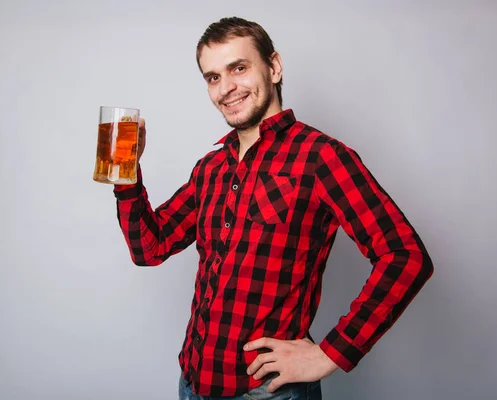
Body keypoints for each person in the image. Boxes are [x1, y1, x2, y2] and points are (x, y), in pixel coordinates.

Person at [112, 16, 434, 400]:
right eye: (213, 77)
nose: (226, 87)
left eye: (239, 68)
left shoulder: (321, 157)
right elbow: (149, 248)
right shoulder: (211, 169)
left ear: (274, 67)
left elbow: (405, 256)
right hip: (193, 384)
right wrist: (126, 175)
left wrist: (332, 353)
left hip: (268, 393)